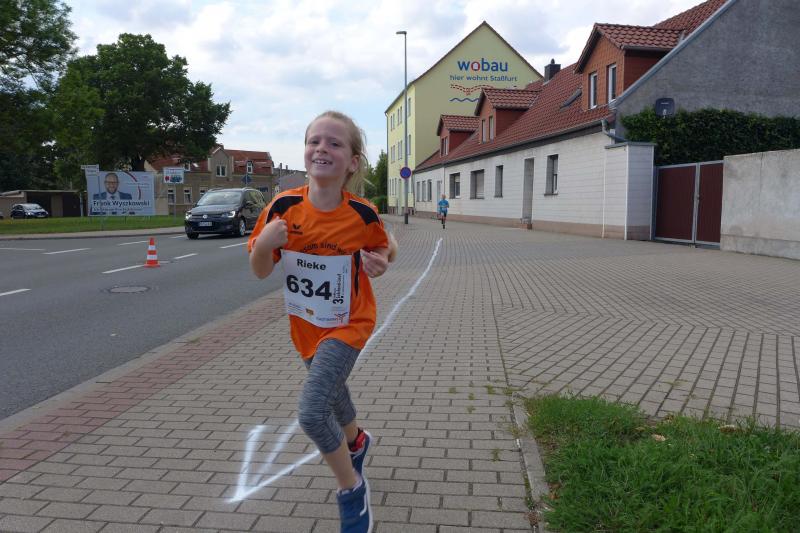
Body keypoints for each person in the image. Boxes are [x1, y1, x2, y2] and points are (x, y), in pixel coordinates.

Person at [248, 110, 396, 533]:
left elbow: (384, 246)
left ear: (352, 161)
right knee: (334, 395)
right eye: (314, 141)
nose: (321, 149)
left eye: (334, 143)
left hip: (351, 323)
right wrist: (264, 245)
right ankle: (356, 442)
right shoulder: (283, 208)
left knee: (313, 412)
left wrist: (382, 262)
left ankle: (352, 491)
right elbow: (260, 270)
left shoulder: (362, 213)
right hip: (306, 325)